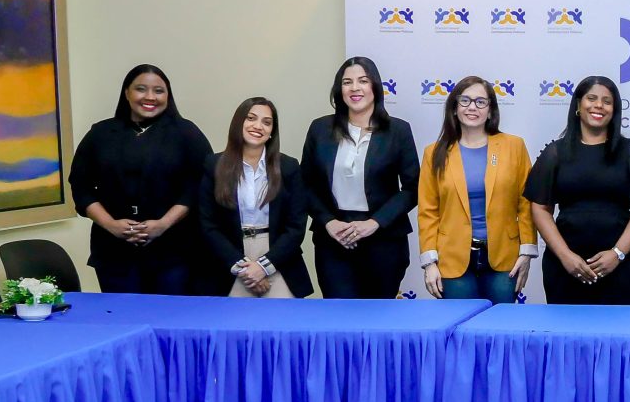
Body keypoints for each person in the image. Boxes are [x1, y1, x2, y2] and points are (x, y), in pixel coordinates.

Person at [68, 63, 212, 294]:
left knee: (170, 314)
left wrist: (163, 224)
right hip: (113, 251)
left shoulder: (187, 133)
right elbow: (80, 186)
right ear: (127, 92)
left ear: (168, 95)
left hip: (174, 251)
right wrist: (111, 225)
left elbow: (199, 185)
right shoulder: (100, 134)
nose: (150, 97)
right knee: (122, 313)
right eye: (141, 89)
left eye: (159, 91)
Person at [525, 75, 630, 304]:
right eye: (592, 98)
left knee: (621, 328)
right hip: (565, 268)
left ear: (614, 110)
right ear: (578, 104)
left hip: (622, 267)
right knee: (566, 328)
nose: (599, 105)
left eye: (607, 101)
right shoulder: (555, 153)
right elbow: (540, 207)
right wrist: (565, 256)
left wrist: (617, 253)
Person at [299, 56, 420, 298]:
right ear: (339, 89)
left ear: (375, 86)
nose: (355, 88)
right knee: (340, 314)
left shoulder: (398, 130)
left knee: (378, 315)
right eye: (347, 82)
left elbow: (412, 188)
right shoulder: (320, 129)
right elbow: (305, 184)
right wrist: (329, 222)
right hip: (333, 239)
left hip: (384, 239)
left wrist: (374, 223)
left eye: (363, 81)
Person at [417, 76, 536, 304]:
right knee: (460, 324)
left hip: (504, 258)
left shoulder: (514, 147)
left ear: (490, 111)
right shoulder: (434, 153)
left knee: (501, 324)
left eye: (481, 102)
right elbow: (428, 211)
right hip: (452, 259)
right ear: (454, 108)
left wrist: (526, 252)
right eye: (465, 100)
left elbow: (526, 202)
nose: (472, 107)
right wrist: (429, 262)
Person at [199, 97, 313, 298]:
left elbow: (296, 226)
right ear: (238, 122)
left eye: (266, 122)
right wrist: (244, 269)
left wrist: (263, 267)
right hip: (230, 258)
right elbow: (208, 224)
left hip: (278, 257)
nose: (258, 126)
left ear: (272, 131)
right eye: (251, 118)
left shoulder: (288, 167)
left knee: (283, 317)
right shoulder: (214, 164)